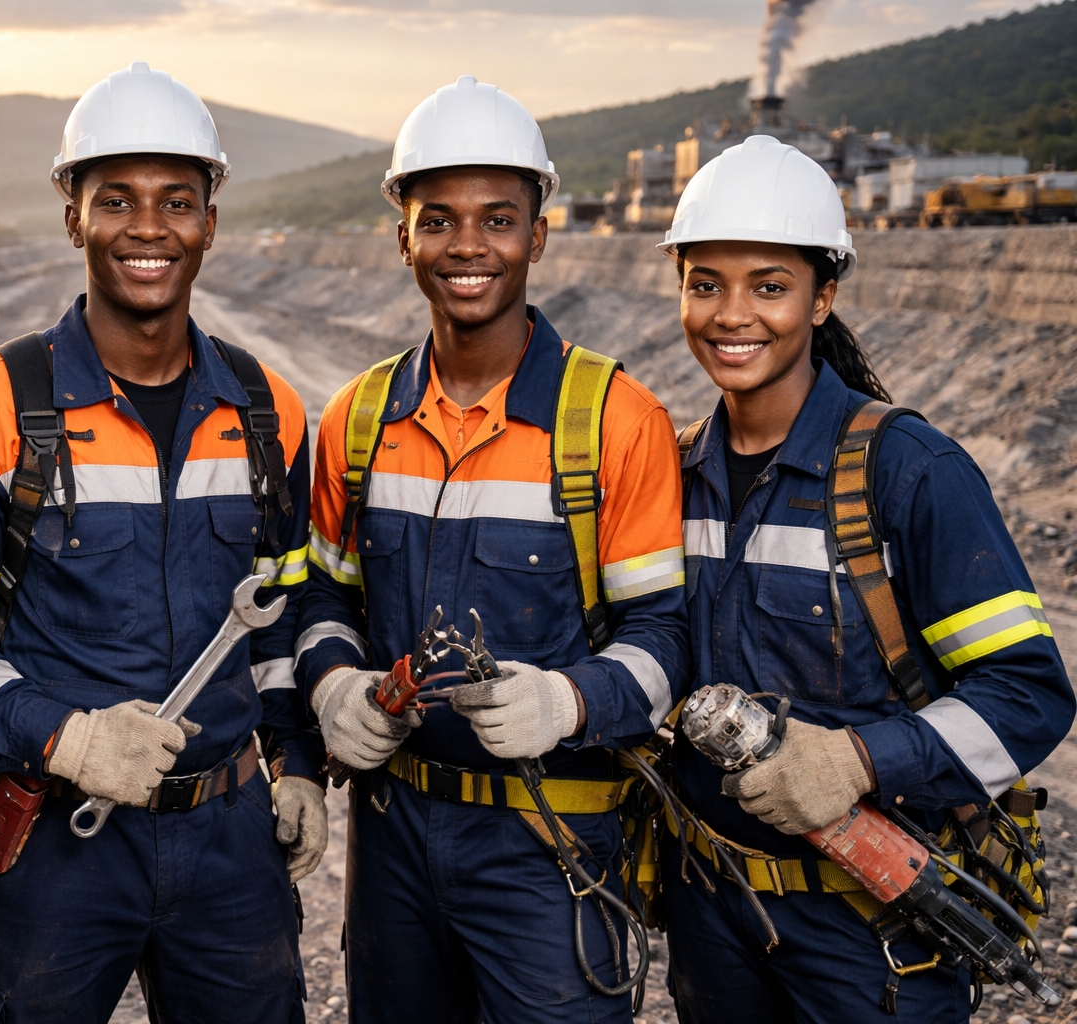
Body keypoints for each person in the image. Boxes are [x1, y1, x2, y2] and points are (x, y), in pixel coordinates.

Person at [0, 62, 323, 1024]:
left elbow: (280, 623)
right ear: (74, 218)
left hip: (230, 845)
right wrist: (67, 739)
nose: (148, 228)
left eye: (176, 201)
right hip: (54, 845)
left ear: (210, 221)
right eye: (116, 200)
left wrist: (297, 759)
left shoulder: (270, 414)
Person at [295, 76, 689, 1023]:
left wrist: (568, 701)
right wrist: (334, 686)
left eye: (498, 220)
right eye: (438, 221)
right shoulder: (358, 419)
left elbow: (668, 634)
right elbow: (324, 598)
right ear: (403, 238)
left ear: (538, 236)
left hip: (552, 848)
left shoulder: (613, 420)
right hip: (393, 837)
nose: (467, 246)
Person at [660, 134, 1075, 1023]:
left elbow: (1026, 694)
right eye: (706, 284)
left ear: (824, 297)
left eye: (770, 286)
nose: (733, 314)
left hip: (873, 932)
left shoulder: (908, 471)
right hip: (713, 918)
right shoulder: (674, 472)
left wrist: (856, 759)